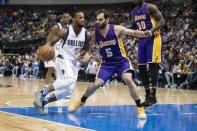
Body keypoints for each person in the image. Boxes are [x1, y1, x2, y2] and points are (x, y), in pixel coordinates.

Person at [68, 10, 152, 119]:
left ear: (107, 20)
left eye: (100, 19)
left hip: (121, 62)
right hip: (107, 64)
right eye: (97, 20)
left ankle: (139, 107)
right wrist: (88, 54)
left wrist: (145, 33)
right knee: (96, 84)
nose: (98, 22)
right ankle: (81, 101)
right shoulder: (95, 33)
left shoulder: (117, 29)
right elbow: (89, 46)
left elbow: (133, 32)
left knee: (128, 79)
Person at [33, 10, 91, 115]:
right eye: (80, 17)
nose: (82, 19)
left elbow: (86, 49)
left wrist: (85, 55)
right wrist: (43, 50)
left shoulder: (87, 34)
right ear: (73, 19)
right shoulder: (65, 31)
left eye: (83, 17)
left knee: (68, 91)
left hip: (75, 62)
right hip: (63, 58)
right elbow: (51, 43)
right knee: (69, 80)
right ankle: (41, 93)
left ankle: (42, 102)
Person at [132, 0, 165, 107]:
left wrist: (151, 30)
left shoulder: (150, 7)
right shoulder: (134, 12)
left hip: (153, 38)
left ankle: (153, 96)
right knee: (141, 67)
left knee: (153, 65)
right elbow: (134, 27)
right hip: (142, 40)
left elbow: (162, 21)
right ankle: (147, 95)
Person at [44, 12, 70, 86]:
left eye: (67, 17)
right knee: (51, 69)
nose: (66, 19)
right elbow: (48, 38)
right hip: (51, 50)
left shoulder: (69, 28)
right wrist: (47, 48)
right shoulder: (56, 27)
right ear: (61, 18)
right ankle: (46, 87)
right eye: (64, 17)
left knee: (60, 71)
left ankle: (58, 87)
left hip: (60, 51)